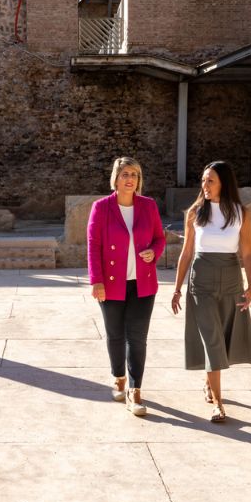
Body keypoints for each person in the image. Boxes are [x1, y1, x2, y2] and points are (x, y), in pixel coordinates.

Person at [170, 160, 251, 423]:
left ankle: (210, 383)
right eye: (203, 181)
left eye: (210, 181)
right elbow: (187, 253)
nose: (204, 186)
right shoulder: (195, 212)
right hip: (201, 281)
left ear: (223, 183)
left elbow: (248, 253)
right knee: (212, 341)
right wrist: (176, 289)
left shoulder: (241, 212)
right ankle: (219, 404)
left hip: (231, 279)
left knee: (224, 337)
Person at [87, 156, 166, 417]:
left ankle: (135, 391)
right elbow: (94, 246)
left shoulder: (149, 206)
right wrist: (96, 281)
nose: (130, 179)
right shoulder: (101, 207)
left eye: (134, 174)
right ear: (116, 179)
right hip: (110, 284)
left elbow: (159, 238)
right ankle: (118, 377)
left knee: (138, 338)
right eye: (125, 174)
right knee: (115, 335)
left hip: (143, 283)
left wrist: (153, 252)